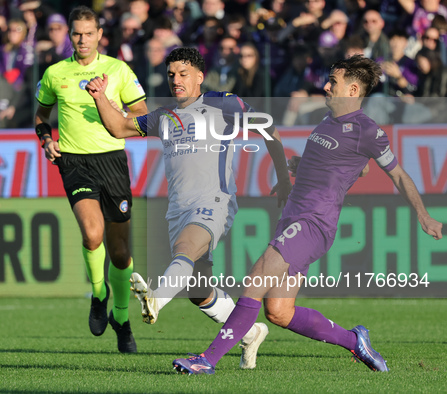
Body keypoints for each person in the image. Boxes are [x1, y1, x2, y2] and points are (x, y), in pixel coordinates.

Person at [171, 54, 443, 374]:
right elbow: (362, 167)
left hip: (313, 222)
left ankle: (206, 360)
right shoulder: (328, 120)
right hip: (294, 215)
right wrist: (302, 168)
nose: (326, 86)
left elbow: (397, 175)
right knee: (279, 311)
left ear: (353, 90)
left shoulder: (367, 130)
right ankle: (355, 342)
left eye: (334, 82)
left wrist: (423, 215)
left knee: (255, 281)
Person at [85, 47, 292, 369]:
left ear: (199, 76)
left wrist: (283, 178)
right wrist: (99, 97)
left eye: (183, 74)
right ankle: (251, 333)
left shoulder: (223, 103)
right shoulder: (163, 116)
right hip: (178, 209)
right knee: (198, 290)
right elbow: (120, 127)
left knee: (184, 251)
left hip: (215, 201)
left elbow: (269, 130)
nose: (176, 80)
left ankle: (155, 299)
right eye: (171, 75)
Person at [33, 6, 148, 354]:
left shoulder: (118, 70)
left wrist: (111, 109)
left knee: (121, 252)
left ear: (100, 35)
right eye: (76, 33)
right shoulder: (56, 73)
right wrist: (46, 140)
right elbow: (41, 114)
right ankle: (99, 294)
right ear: (69, 35)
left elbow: (142, 113)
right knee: (92, 233)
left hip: (112, 161)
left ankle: (123, 319)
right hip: (74, 162)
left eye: (88, 33)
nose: (82, 39)